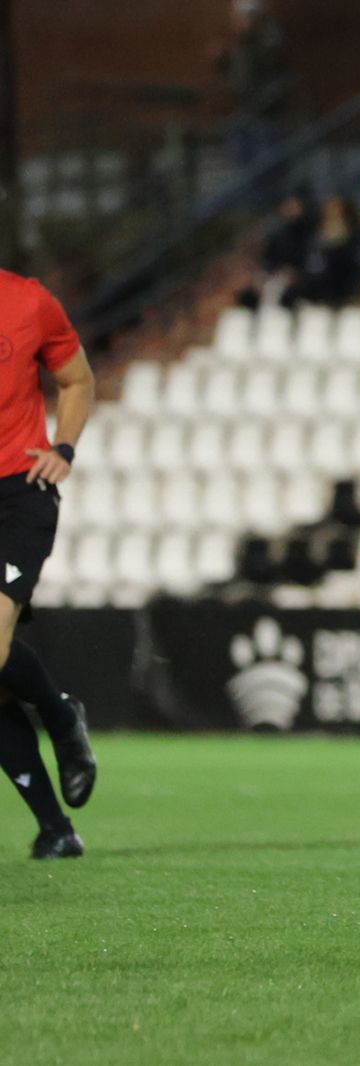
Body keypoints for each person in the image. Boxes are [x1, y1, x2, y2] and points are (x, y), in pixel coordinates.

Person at [0, 269, 98, 859]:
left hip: (19, 497)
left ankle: (61, 717)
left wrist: (63, 448)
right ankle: (56, 829)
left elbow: (78, 379)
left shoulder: (29, 301)